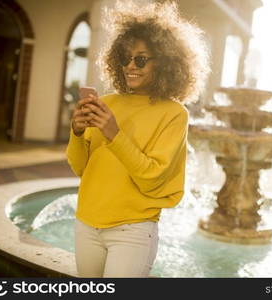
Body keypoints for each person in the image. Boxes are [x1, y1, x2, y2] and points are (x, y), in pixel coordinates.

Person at [66, 1, 209, 278]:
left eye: (141, 59)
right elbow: (80, 167)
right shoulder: (106, 103)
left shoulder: (174, 114)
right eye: (125, 57)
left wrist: (113, 134)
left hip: (131, 230)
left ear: (165, 63)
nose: (130, 66)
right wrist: (77, 132)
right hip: (86, 223)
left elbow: (153, 176)